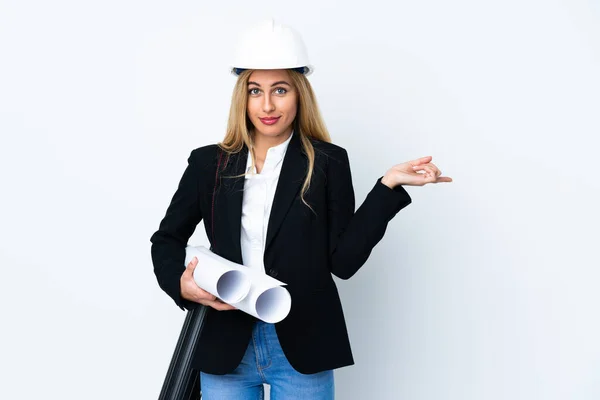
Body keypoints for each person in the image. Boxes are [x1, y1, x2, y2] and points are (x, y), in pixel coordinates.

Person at [150, 19, 452, 400]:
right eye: (255, 90)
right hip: (225, 340)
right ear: (242, 96)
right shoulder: (209, 163)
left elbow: (342, 262)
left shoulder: (327, 162)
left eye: (280, 89)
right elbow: (166, 239)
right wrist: (180, 284)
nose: (267, 105)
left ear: (299, 94)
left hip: (301, 341)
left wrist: (387, 188)